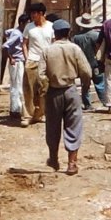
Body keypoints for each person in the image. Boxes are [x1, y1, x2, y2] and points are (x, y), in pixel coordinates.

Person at [39, 18, 92, 175]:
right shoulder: (75, 49)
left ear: (54, 34)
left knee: (52, 127)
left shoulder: (47, 51)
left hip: (53, 92)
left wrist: (44, 91)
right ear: (69, 32)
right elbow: (86, 72)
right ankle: (72, 163)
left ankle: (53, 159)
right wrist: (85, 89)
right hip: (71, 90)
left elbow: (41, 75)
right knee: (73, 126)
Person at [22, 2, 54, 123]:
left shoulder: (51, 27)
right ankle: (28, 116)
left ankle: (40, 114)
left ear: (41, 14)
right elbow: (24, 44)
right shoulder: (29, 27)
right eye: (31, 13)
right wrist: (26, 58)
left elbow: (54, 43)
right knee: (29, 89)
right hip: (32, 60)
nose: (32, 16)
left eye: (34, 13)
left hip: (46, 61)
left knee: (44, 89)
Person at [72, 13, 106, 109]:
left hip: (82, 64)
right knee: (99, 83)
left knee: (85, 85)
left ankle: (87, 104)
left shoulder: (76, 37)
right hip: (95, 63)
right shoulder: (96, 35)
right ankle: (105, 102)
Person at [3, 13, 29, 120]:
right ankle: (17, 110)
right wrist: (11, 57)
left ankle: (14, 109)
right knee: (17, 86)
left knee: (15, 85)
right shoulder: (17, 34)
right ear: (22, 23)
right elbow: (5, 46)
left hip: (17, 61)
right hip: (17, 62)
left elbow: (6, 32)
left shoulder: (16, 32)